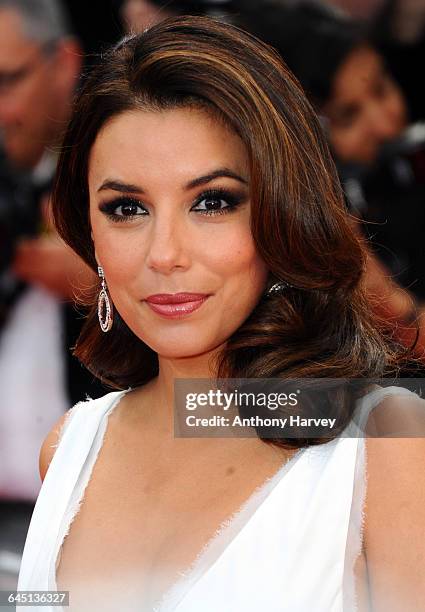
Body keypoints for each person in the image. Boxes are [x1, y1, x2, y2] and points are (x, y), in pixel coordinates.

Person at [17, 15, 425, 612]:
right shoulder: (71, 448)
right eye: (126, 208)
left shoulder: (385, 443)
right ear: (88, 233)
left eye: (212, 202)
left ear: (282, 215)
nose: (165, 255)